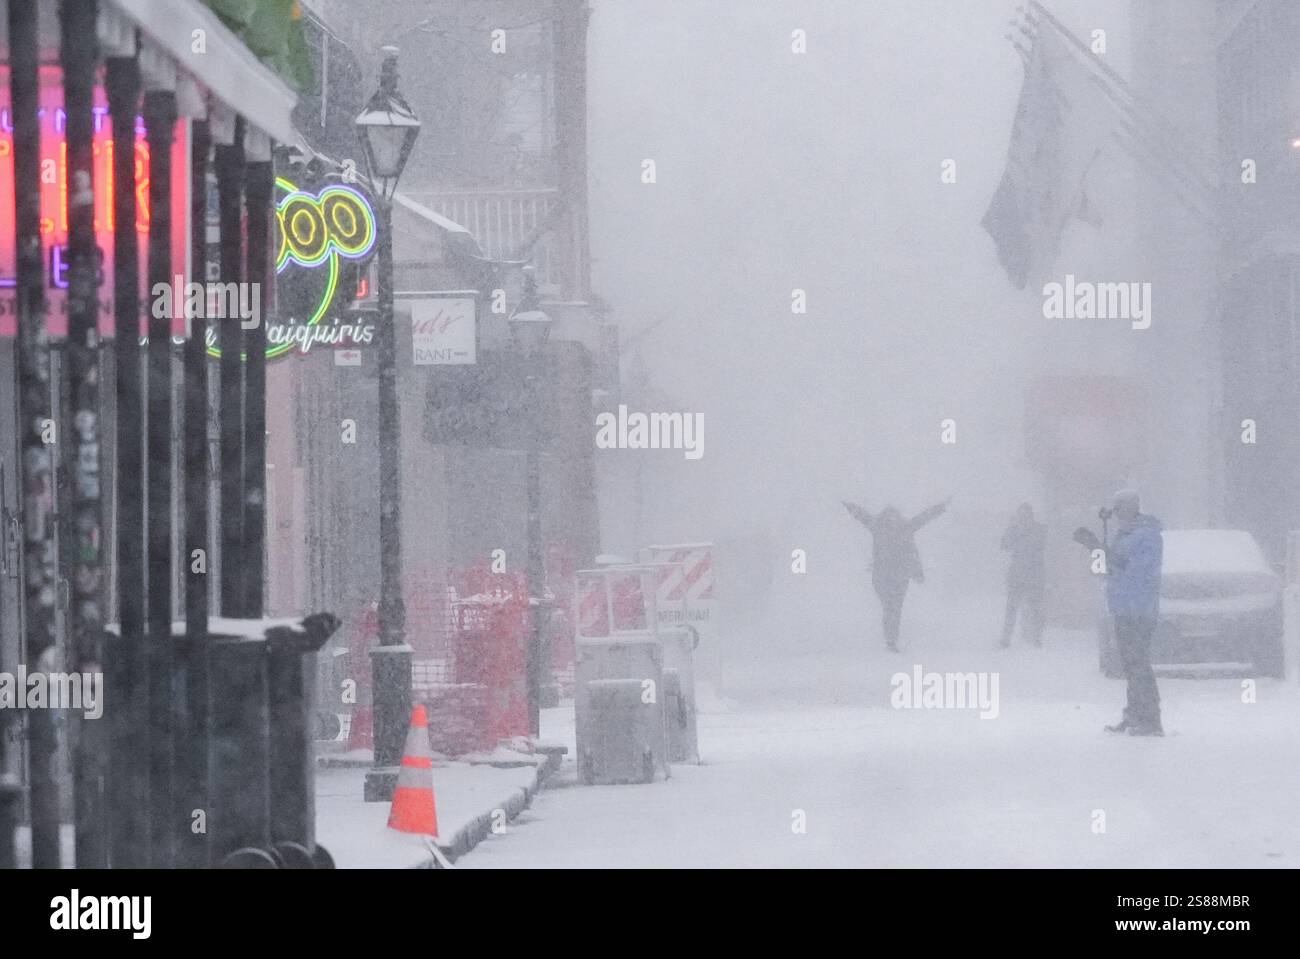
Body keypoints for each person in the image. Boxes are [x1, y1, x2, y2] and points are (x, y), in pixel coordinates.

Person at [1076, 489, 1164, 736]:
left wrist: (1103, 551)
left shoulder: (1147, 535)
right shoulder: (1125, 535)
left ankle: (1150, 720)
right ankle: (1135, 714)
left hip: (1139, 609)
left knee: (1139, 664)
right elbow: (1110, 569)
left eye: (1119, 508)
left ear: (1131, 507)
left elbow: (1135, 570)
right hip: (1124, 607)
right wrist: (1095, 549)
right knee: (1131, 664)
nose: (1115, 514)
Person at [843, 497, 951, 651]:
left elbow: (861, 515)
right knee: (894, 608)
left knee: (890, 608)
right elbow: (924, 517)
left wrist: (847, 504)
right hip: (897, 576)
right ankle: (891, 640)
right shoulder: (903, 527)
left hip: (884, 576)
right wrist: (941, 507)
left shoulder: (878, 526)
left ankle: (891, 640)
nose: (891, 523)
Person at [1000, 503, 1046, 648]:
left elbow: (1039, 545)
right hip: (1017, 575)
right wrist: (1011, 528)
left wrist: (1020, 532)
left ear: (1031, 515)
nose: (1023, 517)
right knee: (1012, 608)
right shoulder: (1014, 529)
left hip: (1034, 574)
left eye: (1025, 514)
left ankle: (1037, 638)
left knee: (1035, 608)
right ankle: (1006, 638)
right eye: (1021, 515)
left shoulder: (1039, 529)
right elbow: (1004, 545)